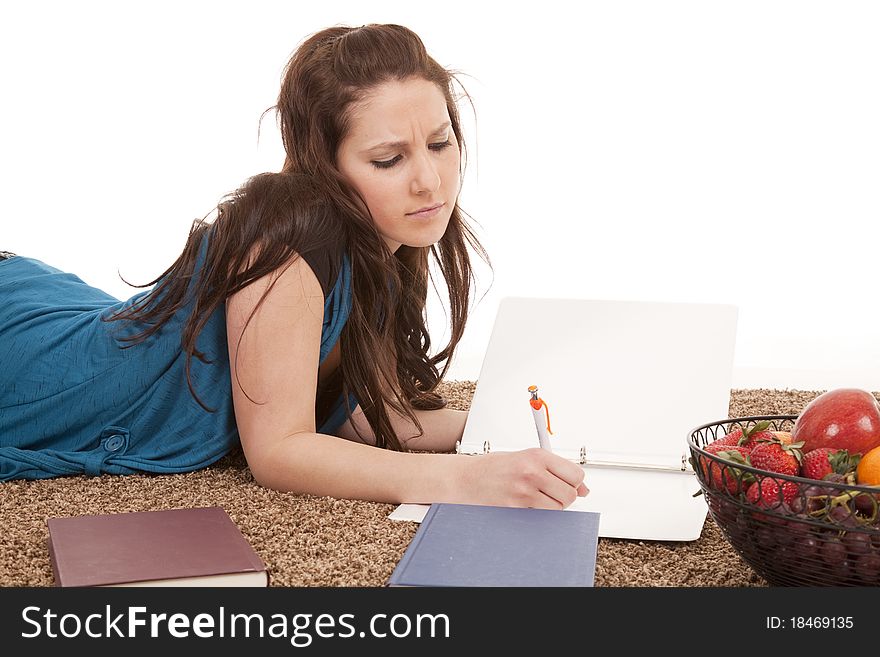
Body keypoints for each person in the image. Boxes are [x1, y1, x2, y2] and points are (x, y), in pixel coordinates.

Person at [0, 23, 587, 509]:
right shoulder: (294, 234)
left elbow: (354, 416)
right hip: (33, 367)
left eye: (440, 143)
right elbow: (280, 450)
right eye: (388, 158)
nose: (429, 181)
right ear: (325, 165)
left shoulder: (380, 243)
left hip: (71, 312)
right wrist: (466, 481)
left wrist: (489, 430)